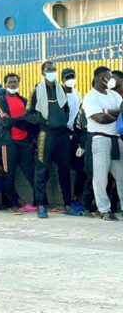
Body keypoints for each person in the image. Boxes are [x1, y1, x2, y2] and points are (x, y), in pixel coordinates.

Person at [27, 61, 72, 219]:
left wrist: (61, 121)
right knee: (41, 170)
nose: (51, 72)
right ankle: (41, 205)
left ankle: (68, 203)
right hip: (46, 135)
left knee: (65, 169)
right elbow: (28, 113)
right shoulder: (37, 91)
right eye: (48, 70)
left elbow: (66, 110)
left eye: (53, 69)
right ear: (43, 72)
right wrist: (42, 122)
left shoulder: (61, 90)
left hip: (62, 135)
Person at [82, 66, 123, 220]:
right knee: (100, 177)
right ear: (101, 78)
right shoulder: (90, 97)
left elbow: (122, 110)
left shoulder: (114, 95)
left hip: (115, 139)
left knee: (121, 176)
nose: (112, 79)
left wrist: (106, 111)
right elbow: (100, 119)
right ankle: (104, 210)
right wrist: (113, 114)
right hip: (100, 139)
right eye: (109, 76)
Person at [0, 74, 37, 213]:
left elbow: (31, 121)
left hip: (24, 142)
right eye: (10, 82)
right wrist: (21, 120)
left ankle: (39, 201)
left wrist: (17, 121)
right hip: (8, 143)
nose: (13, 84)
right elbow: (5, 122)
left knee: (32, 172)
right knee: (9, 174)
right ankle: (13, 204)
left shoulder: (24, 101)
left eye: (15, 82)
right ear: (5, 84)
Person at [62, 68, 85, 210]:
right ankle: (67, 201)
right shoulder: (61, 95)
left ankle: (77, 196)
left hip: (76, 135)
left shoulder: (76, 93)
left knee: (81, 168)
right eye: (68, 77)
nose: (71, 79)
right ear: (63, 79)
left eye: (72, 76)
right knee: (65, 168)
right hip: (64, 135)